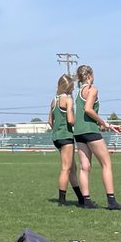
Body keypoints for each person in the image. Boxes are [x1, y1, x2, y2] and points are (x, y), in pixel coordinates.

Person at [71, 64, 121, 210]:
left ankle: (86, 201)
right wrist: (105, 123)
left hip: (79, 132)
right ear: (90, 76)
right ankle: (112, 201)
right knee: (106, 164)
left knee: (84, 167)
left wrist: (105, 125)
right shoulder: (92, 89)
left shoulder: (78, 92)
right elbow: (88, 109)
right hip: (90, 131)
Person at [49, 75, 85, 206]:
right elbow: (70, 119)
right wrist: (78, 122)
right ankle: (62, 201)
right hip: (66, 137)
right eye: (72, 86)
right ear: (68, 86)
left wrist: (57, 130)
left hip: (57, 137)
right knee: (65, 169)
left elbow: (49, 121)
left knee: (72, 169)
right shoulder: (68, 99)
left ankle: (81, 198)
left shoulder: (53, 100)